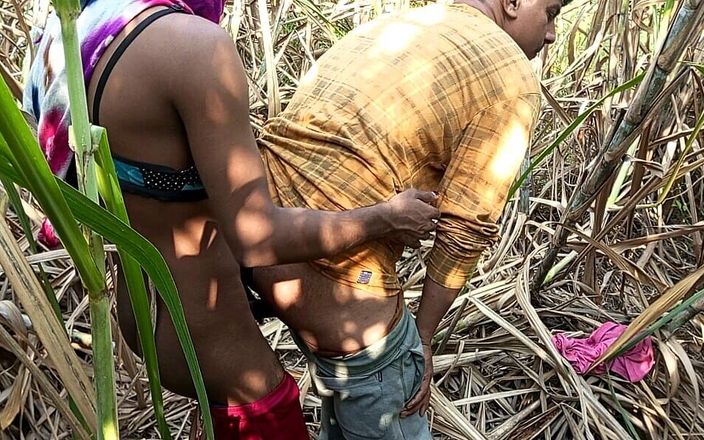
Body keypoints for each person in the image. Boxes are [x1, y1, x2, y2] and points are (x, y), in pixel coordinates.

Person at [22, 1, 440, 438]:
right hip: (212, 338)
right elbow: (256, 238)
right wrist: (383, 219)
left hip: (143, 312)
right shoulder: (194, 50)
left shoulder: (78, 29)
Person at [252, 0, 564, 437]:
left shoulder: (402, 23)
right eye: (551, 13)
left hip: (266, 241)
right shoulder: (512, 77)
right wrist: (421, 342)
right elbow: (466, 229)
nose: (551, 33)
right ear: (512, 3)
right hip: (342, 289)